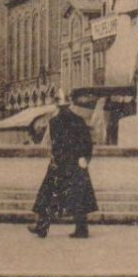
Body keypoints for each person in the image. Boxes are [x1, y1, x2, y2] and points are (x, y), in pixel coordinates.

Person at [28, 91, 98, 239]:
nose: (63, 108)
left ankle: (44, 227)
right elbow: (86, 143)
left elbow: (58, 144)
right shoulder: (76, 120)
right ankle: (79, 229)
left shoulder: (57, 121)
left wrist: (82, 157)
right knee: (75, 195)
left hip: (64, 163)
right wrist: (85, 158)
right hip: (71, 163)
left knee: (52, 194)